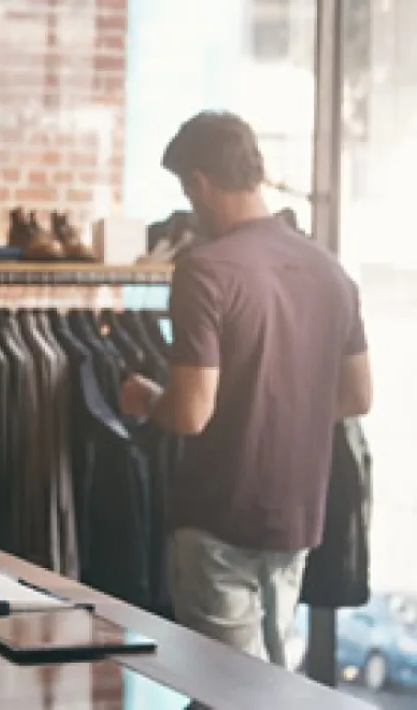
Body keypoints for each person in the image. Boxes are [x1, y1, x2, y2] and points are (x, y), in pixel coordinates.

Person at [119, 111, 372, 667]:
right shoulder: (330, 270)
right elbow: (358, 397)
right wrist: (281, 410)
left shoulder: (205, 270)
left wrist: (146, 398)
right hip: (297, 518)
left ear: (200, 181)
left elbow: (190, 413)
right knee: (269, 685)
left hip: (220, 517)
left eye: (188, 191)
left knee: (228, 691)